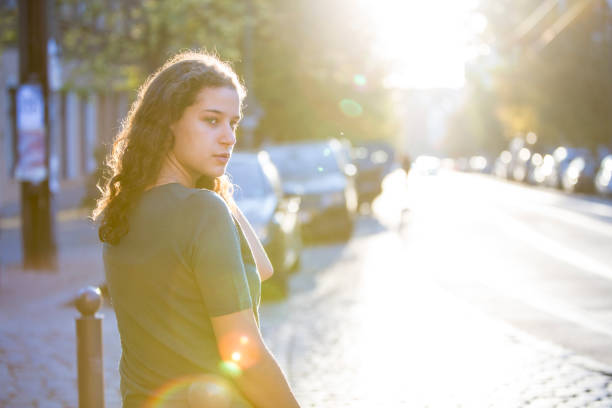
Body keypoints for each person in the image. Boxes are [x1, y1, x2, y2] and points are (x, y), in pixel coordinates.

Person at [92, 51, 301, 408]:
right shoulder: (201, 211)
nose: (229, 138)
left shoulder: (123, 211)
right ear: (168, 121)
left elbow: (261, 269)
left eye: (233, 123)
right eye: (211, 121)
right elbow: (244, 356)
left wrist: (215, 187)